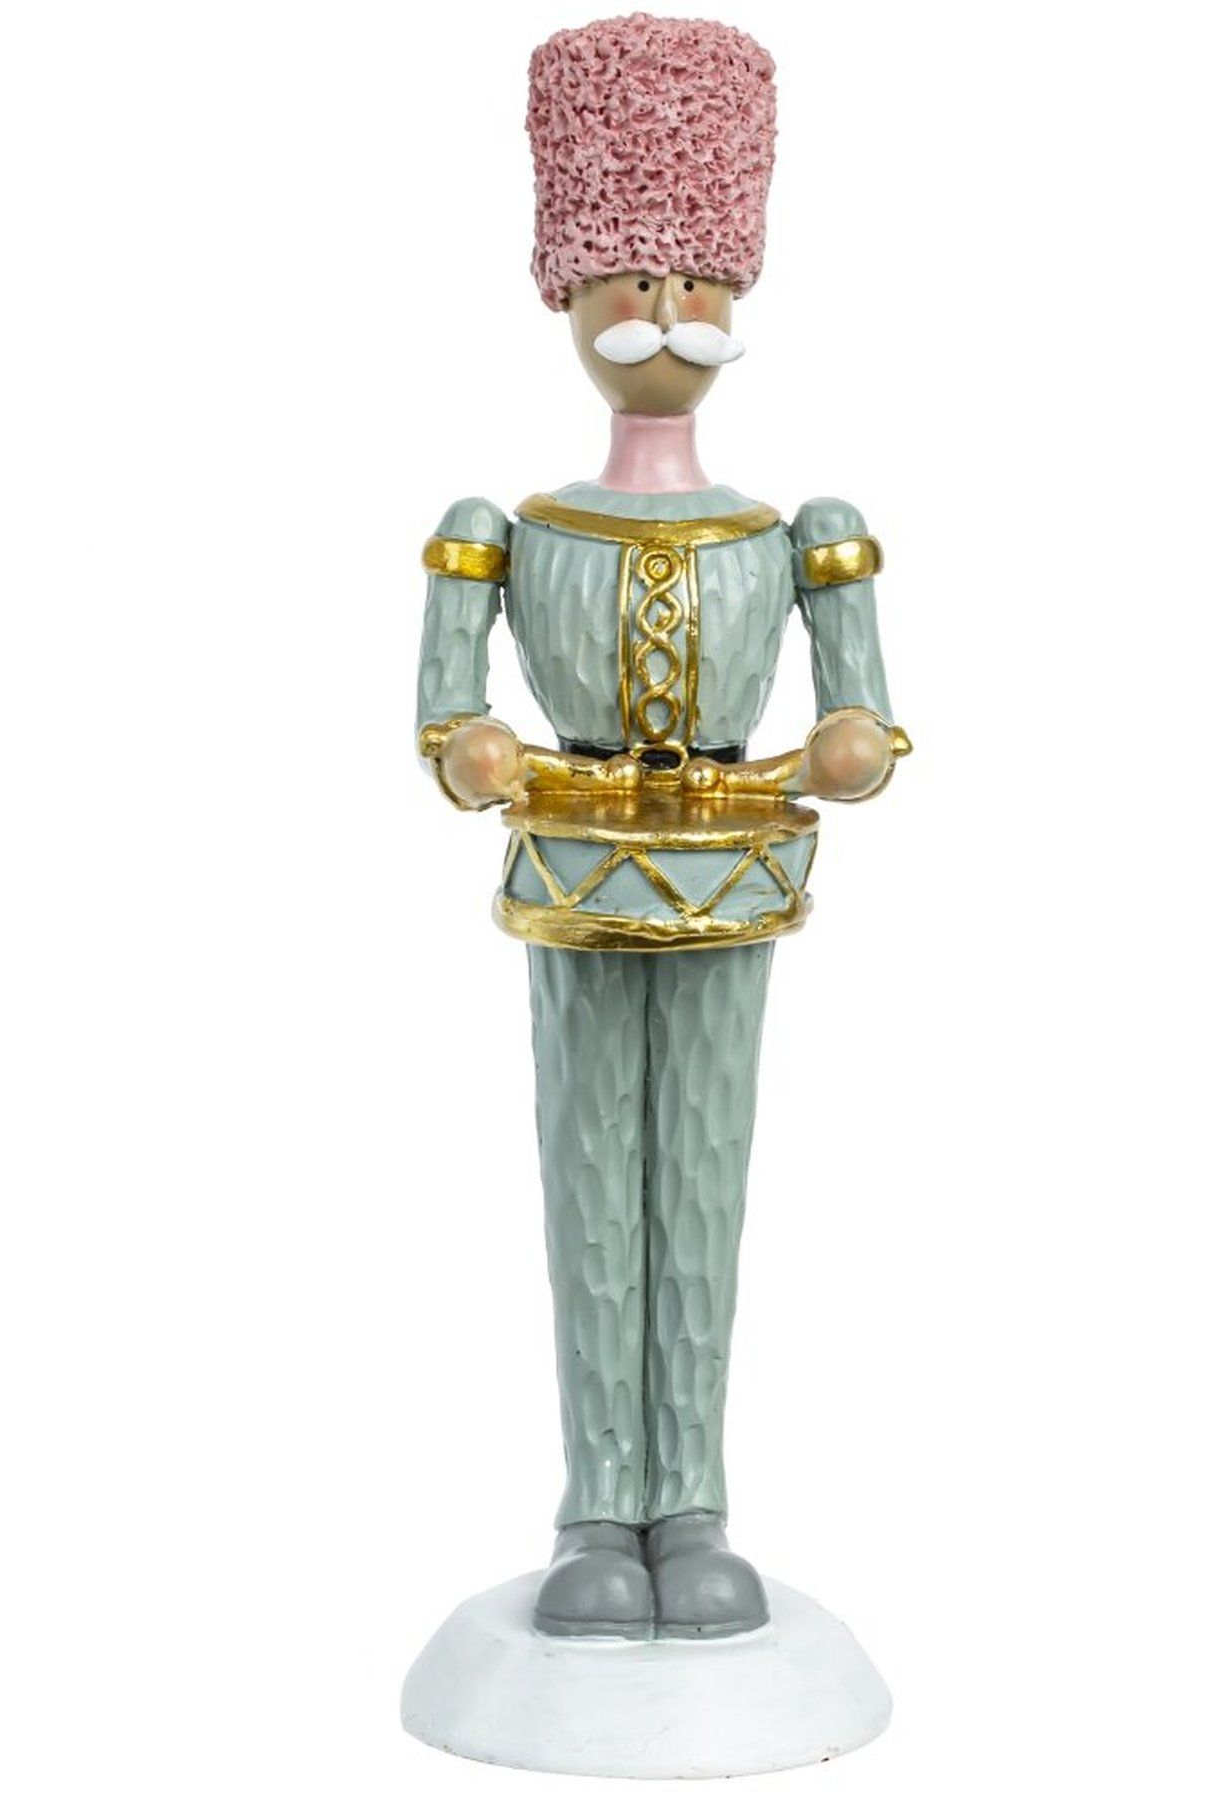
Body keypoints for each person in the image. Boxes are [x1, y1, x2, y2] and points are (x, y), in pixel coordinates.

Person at [413, 14, 904, 1641]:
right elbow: (445, 714)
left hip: (735, 871)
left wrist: (847, 743)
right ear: (570, 294)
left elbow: (863, 719)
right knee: (585, 1168)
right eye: (634, 279)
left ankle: (689, 1496)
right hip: (572, 865)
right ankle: (594, 1501)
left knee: (702, 1168)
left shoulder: (789, 533)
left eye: (697, 282)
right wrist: (474, 746)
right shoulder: (511, 530)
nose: (667, 314)